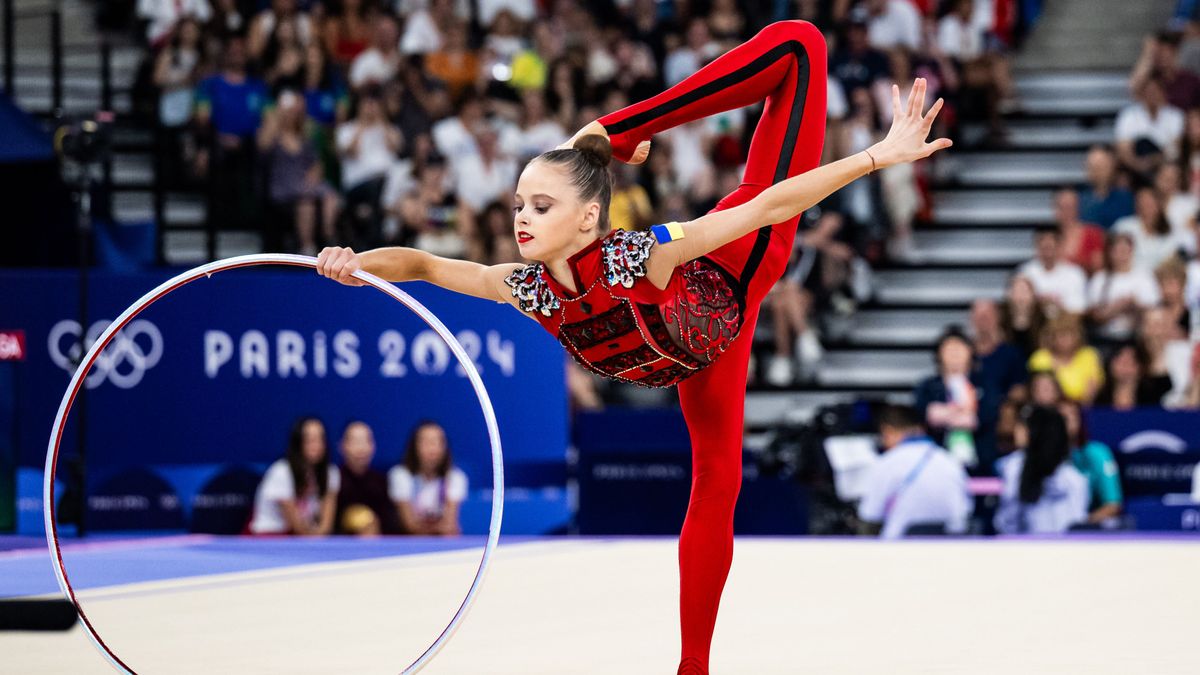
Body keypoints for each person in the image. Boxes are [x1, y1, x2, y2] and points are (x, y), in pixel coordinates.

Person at [316, 21, 950, 674]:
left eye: (539, 205)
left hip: (739, 267)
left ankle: (615, 128)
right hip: (698, 355)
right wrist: (356, 260)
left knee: (800, 45)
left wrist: (879, 155)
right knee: (715, 483)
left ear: (587, 218)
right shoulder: (529, 288)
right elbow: (422, 265)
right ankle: (696, 666)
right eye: (517, 206)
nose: (520, 219)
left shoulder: (634, 256)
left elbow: (766, 208)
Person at [856, 405, 973, 539]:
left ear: (887, 431)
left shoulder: (887, 463)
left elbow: (870, 515)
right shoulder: (950, 461)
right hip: (950, 545)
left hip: (900, 548)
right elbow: (965, 510)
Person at [994, 406, 1089, 534]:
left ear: (1032, 433)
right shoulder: (1075, 479)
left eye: (1023, 426)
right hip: (1031, 547)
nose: (1017, 430)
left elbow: (1007, 522)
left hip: (1055, 548)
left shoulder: (1015, 468)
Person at [914, 328, 998, 473]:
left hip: (979, 459)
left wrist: (945, 414)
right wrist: (962, 413)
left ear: (970, 352)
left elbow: (984, 416)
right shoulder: (928, 386)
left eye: (959, 347)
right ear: (939, 354)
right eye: (949, 348)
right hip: (936, 458)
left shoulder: (984, 384)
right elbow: (926, 414)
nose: (954, 353)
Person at [249, 416, 340, 535]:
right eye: (309, 439)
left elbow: (326, 525)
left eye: (320, 439)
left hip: (307, 539)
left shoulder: (331, 472)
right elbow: (297, 527)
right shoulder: (281, 472)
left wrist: (319, 540)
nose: (316, 445)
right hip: (270, 537)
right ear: (298, 442)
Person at [389, 420, 468, 536]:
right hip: (410, 543)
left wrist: (440, 528)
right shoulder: (400, 475)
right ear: (414, 446)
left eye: (437, 442)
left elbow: (450, 525)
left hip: (444, 543)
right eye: (426, 442)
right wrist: (437, 528)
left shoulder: (456, 477)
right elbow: (409, 525)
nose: (432, 448)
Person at [1086, 232, 1161, 343]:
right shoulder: (1100, 279)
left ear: (1131, 251)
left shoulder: (1145, 277)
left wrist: (1134, 304)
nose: (1121, 256)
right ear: (1110, 253)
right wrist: (1116, 308)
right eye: (1117, 251)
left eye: (1125, 251)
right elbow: (1093, 316)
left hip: (1136, 337)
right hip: (1105, 336)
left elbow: (1153, 311)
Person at [1058, 400, 1123, 524]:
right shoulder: (1043, 457)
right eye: (1061, 417)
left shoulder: (1098, 454)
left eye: (1072, 415)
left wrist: (1080, 526)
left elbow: (1113, 505)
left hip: (1090, 530)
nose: (1067, 421)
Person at [335, 420, 401, 535]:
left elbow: (391, 525)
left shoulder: (382, 482)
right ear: (342, 446)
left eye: (366, 441)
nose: (361, 448)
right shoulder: (333, 481)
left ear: (373, 446)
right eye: (355, 442)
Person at [1028, 314, 1104, 404]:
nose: (1065, 340)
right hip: (1048, 407)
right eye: (1060, 335)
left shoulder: (1088, 355)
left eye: (1069, 334)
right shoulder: (1040, 357)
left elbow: (1093, 386)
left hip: (1083, 407)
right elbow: (1039, 390)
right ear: (1051, 338)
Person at [1016, 227, 1088, 315]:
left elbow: (1079, 308)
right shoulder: (1026, 272)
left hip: (1065, 324)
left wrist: (1055, 304)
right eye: (1044, 248)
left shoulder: (1075, 274)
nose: (1047, 254)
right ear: (1036, 247)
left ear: (1060, 247)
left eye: (1050, 248)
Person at [1113, 187, 1185, 273]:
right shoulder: (1124, 226)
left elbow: (1171, 260)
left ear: (1159, 204)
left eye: (1150, 202)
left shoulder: (1171, 231)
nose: (1146, 205)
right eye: (1142, 201)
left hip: (1159, 280)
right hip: (1128, 277)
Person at [970, 298, 1025, 400]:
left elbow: (1019, 390)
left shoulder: (1012, 354)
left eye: (987, 317)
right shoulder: (965, 353)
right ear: (972, 319)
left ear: (997, 318)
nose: (983, 322)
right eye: (980, 317)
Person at [1092, 342, 1170, 409]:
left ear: (1141, 367)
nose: (1124, 364)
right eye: (1119, 359)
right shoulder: (1100, 398)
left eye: (1131, 361)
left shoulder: (1153, 398)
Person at [1077, 145, 1134, 230]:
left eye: (1101, 167)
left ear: (1111, 168)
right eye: (1093, 167)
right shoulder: (1079, 200)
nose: (1097, 172)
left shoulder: (1126, 199)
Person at [1053, 188, 1106, 274]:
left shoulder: (1093, 234)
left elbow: (1099, 268)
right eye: (1061, 208)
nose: (1066, 212)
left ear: (1078, 208)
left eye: (1069, 207)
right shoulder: (1050, 238)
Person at [1000, 274, 1047, 357]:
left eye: (1025, 292)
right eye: (1017, 292)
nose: (1021, 297)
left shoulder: (1044, 321)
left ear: (1033, 295)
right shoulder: (1001, 321)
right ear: (1009, 295)